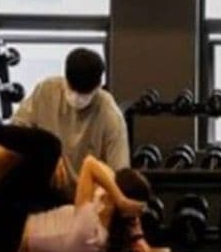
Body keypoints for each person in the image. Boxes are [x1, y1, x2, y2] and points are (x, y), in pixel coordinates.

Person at [0, 93, 154, 252]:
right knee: (47, 167)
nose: (104, 189)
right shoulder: (102, 226)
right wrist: (137, 235)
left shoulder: (90, 229)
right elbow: (106, 172)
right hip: (15, 223)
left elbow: (91, 165)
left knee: (49, 146)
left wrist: (120, 198)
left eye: (109, 191)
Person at [8, 48, 130, 198]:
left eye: (84, 93)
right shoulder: (46, 91)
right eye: (73, 89)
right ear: (65, 78)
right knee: (0, 154)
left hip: (86, 198)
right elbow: (14, 131)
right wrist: (47, 154)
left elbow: (120, 175)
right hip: (45, 186)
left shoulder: (111, 116)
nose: (77, 97)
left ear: (99, 85)